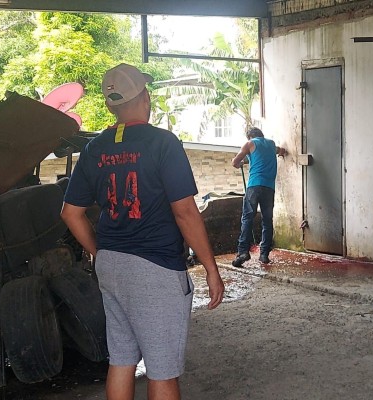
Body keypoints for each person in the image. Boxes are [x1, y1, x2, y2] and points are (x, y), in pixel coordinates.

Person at [60, 63, 225, 400]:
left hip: (111, 266)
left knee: (121, 360)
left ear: (110, 105)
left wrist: (100, 251)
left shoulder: (95, 149)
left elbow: (71, 213)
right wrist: (211, 268)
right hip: (155, 268)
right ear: (145, 98)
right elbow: (185, 212)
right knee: (162, 370)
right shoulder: (162, 143)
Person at [231, 127, 286, 267]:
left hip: (254, 186)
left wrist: (240, 164)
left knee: (247, 218)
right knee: (267, 220)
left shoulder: (249, 144)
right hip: (269, 188)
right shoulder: (272, 144)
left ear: (249, 137)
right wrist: (282, 152)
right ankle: (264, 254)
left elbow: (235, 162)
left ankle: (243, 251)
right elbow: (281, 151)